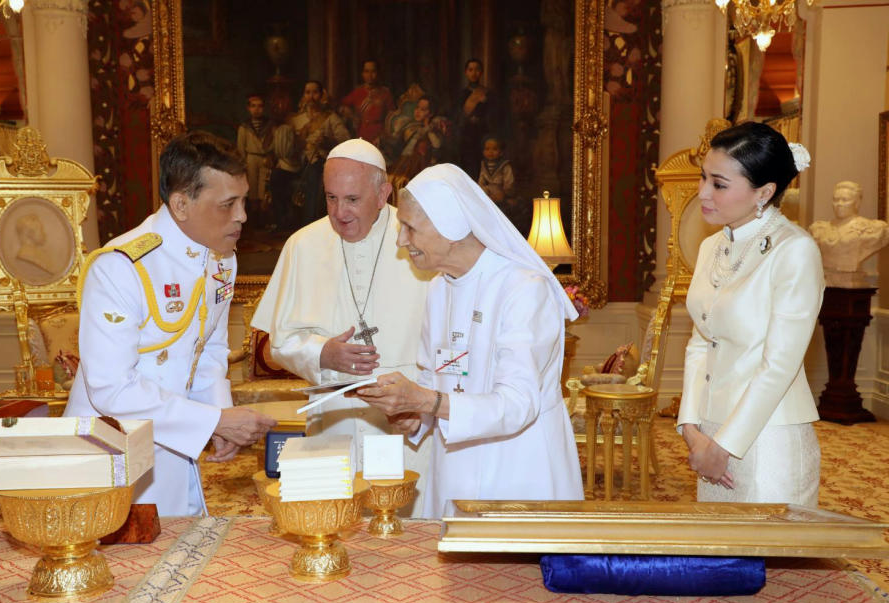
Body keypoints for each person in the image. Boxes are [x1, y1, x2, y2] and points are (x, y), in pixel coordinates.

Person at [65, 131, 277, 516]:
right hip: (113, 452)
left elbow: (208, 348)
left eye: (243, 201)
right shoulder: (121, 266)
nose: (242, 216)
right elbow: (110, 389)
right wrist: (213, 420)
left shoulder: (221, 258)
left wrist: (218, 416)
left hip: (177, 443)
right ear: (181, 204)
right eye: (228, 203)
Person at [355, 163, 583, 519]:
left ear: (452, 225)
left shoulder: (524, 289)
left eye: (410, 227)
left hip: (520, 471)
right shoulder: (438, 288)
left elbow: (517, 404)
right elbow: (437, 377)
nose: (401, 240)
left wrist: (426, 401)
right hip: (454, 468)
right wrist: (413, 416)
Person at [251, 138, 433, 516]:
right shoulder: (303, 245)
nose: (339, 213)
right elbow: (278, 343)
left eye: (352, 199)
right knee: (337, 526)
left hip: (408, 424)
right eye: (331, 199)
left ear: (384, 193)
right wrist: (322, 352)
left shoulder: (422, 240)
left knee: (412, 534)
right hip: (335, 419)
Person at [677, 121, 822, 507]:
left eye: (719, 184)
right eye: (703, 177)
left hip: (766, 437)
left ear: (765, 191)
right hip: (711, 435)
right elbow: (700, 342)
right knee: (718, 561)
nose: (703, 193)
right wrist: (692, 428)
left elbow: (780, 365)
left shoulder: (795, 250)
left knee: (770, 563)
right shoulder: (712, 246)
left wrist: (724, 444)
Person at [271, 80, 350, 229]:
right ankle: (282, 223)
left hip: (317, 162)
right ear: (304, 95)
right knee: (277, 176)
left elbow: (345, 140)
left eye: (315, 92)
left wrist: (327, 141)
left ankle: (309, 225)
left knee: (313, 175)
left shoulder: (330, 118)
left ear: (321, 95)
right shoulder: (296, 119)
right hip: (297, 164)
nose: (311, 96)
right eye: (308, 92)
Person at [809, 181, 889, 288]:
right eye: (836, 200)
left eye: (845, 200)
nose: (839, 204)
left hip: (851, 282)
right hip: (827, 282)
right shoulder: (819, 228)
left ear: (857, 203)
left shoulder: (872, 228)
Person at [454, 59, 498, 180]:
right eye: (470, 69)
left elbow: (493, 117)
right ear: (466, 72)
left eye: (477, 69)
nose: (474, 73)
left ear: (481, 72)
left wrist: (480, 118)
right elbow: (456, 116)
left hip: (482, 136)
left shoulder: (488, 94)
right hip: (465, 137)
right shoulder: (461, 94)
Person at [236, 93, 275, 229]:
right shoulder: (244, 127)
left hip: (264, 158)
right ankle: (253, 219)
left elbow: (273, 142)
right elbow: (241, 147)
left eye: (260, 106)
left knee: (263, 189)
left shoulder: (269, 126)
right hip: (251, 158)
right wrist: (243, 163)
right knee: (252, 189)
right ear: (248, 108)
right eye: (253, 106)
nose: (257, 109)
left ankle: (263, 218)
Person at [340, 60, 395, 145]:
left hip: (379, 136)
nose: (370, 75)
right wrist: (350, 114)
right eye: (367, 71)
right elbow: (341, 106)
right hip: (361, 134)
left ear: (378, 73)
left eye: (373, 71)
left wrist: (382, 137)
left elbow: (392, 118)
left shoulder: (385, 93)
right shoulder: (358, 92)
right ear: (362, 74)